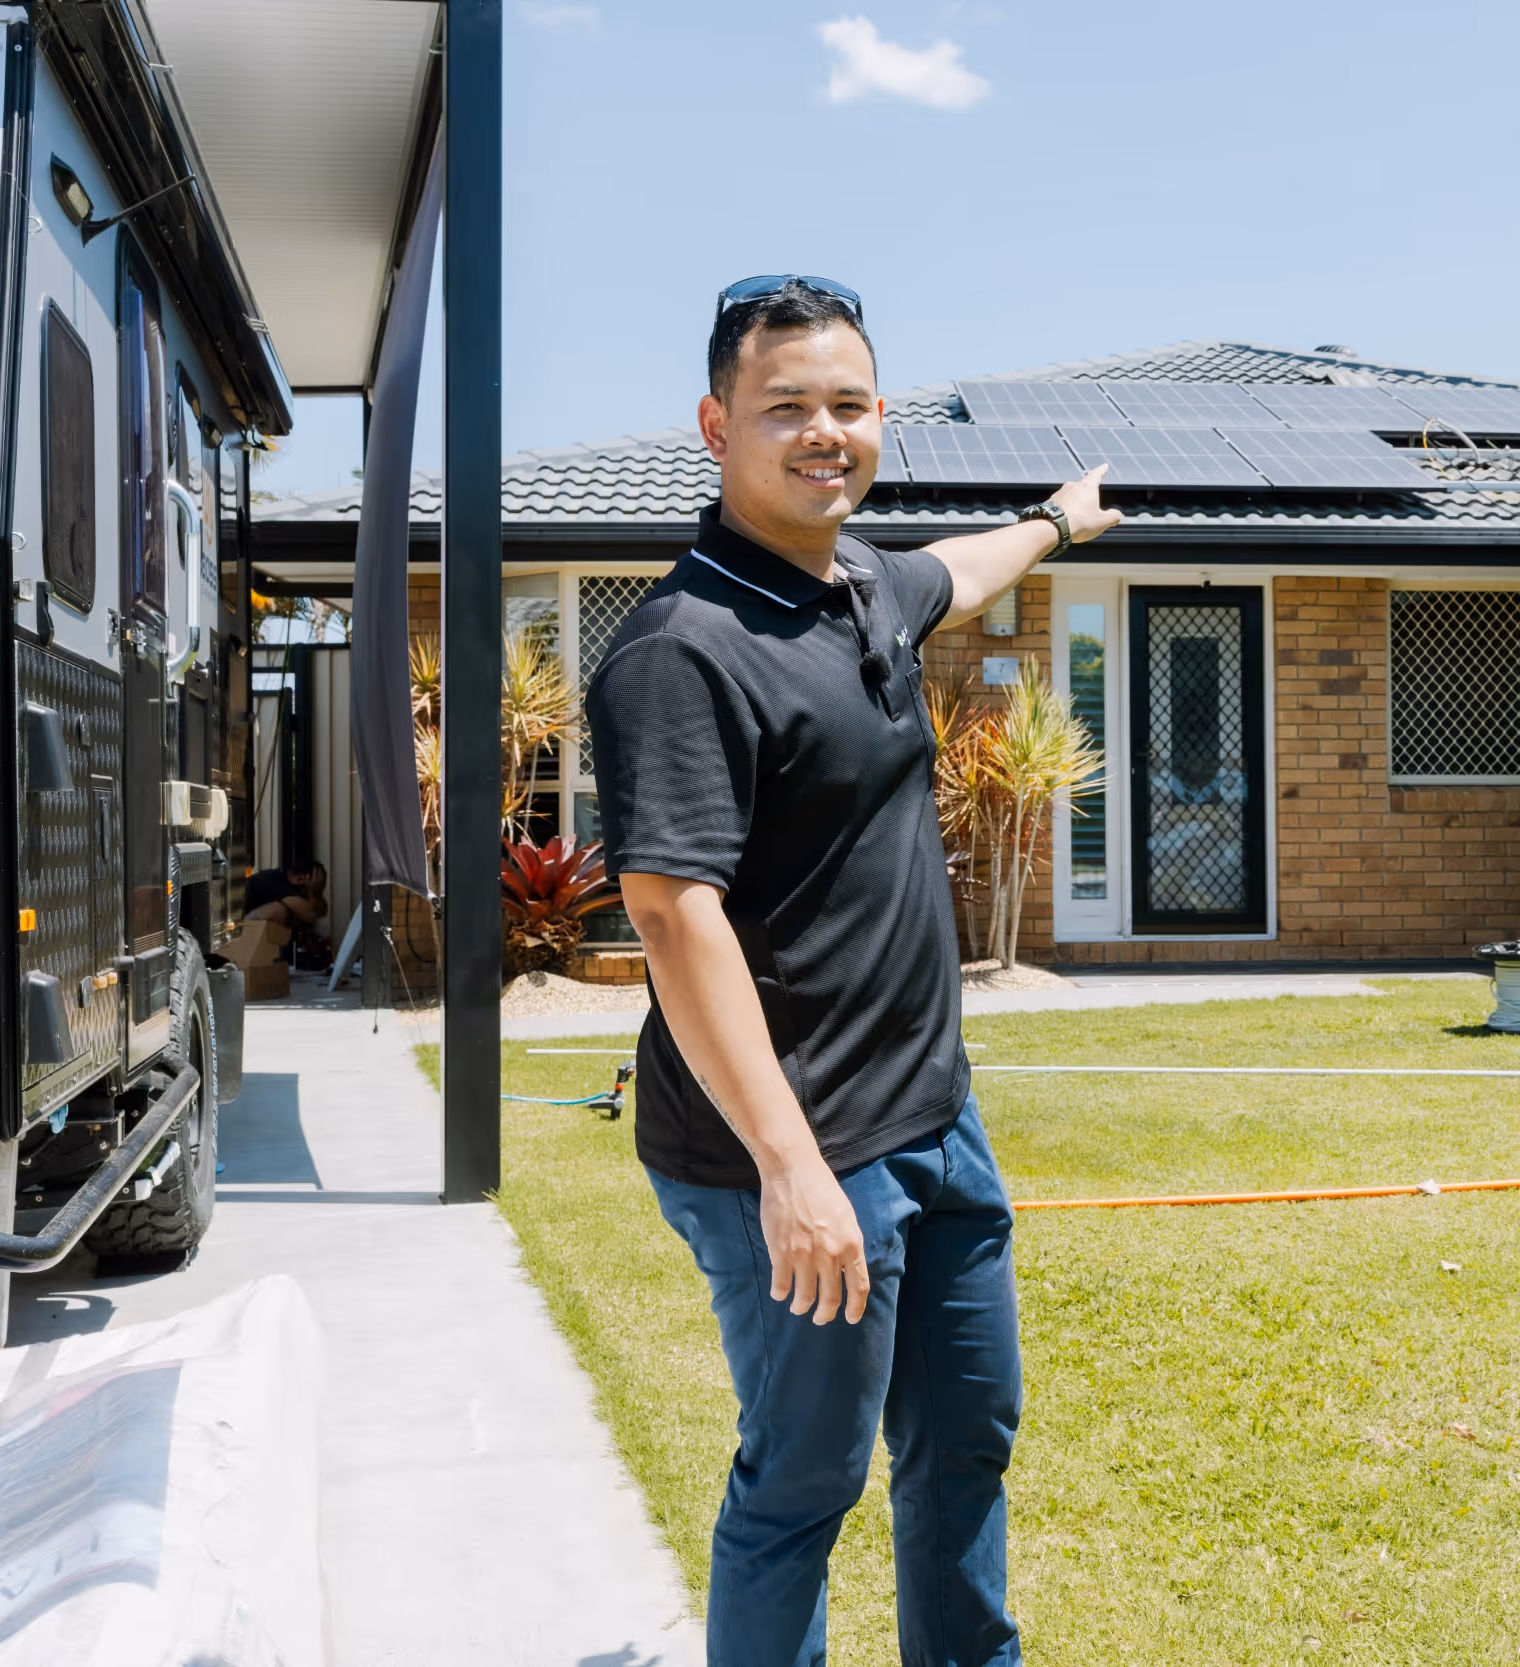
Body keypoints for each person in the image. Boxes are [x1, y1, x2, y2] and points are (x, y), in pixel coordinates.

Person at [583, 276, 1120, 1667]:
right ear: (717, 426)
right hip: (791, 1151)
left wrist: (1058, 521)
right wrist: (791, 1167)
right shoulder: (682, 650)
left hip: (933, 1116)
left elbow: (962, 567)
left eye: (848, 403)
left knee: (967, 1439)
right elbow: (671, 913)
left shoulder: (865, 587)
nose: (824, 432)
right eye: (786, 408)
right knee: (802, 1483)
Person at [242, 857, 327, 941]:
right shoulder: (282, 891)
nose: (315, 897)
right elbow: (308, 911)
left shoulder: (277, 877)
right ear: (300, 879)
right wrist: (311, 892)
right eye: (316, 892)